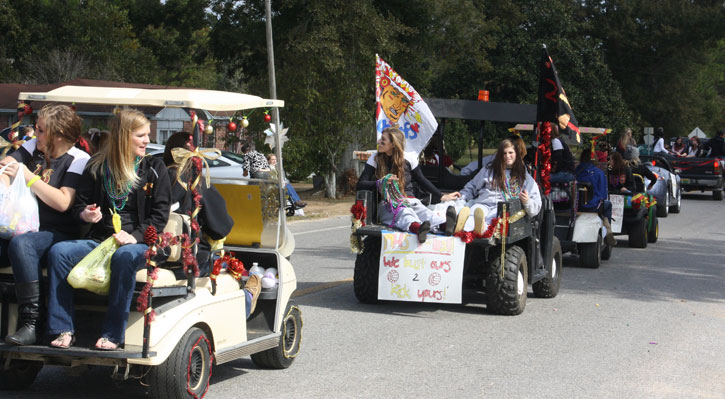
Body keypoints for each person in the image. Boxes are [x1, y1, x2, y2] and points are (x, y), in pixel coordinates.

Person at [46, 109, 171, 350]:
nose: (148, 140)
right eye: (141, 135)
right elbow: (79, 207)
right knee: (59, 253)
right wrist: (86, 214)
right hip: (101, 240)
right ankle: (62, 328)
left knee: (124, 256)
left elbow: (159, 217)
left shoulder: (154, 168)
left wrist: (134, 236)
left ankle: (113, 334)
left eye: (147, 135)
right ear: (124, 137)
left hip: (143, 243)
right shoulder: (97, 167)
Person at [0, 104, 90, 346]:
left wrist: (28, 178)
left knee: (22, 245)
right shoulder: (33, 147)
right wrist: (6, 183)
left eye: (40, 130)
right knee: (17, 242)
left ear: (58, 134)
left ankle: (30, 323)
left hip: (57, 232)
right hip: (21, 226)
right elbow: (6, 166)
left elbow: (63, 202)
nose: (34, 133)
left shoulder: (78, 159)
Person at [356, 127, 459, 242]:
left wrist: (442, 196)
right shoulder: (375, 158)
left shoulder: (409, 158)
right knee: (404, 212)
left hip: (409, 200)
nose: (378, 142)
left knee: (423, 212)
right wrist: (380, 183)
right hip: (388, 203)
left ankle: (445, 225)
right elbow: (360, 184)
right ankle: (418, 228)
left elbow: (422, 180)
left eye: (383, 140)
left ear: (393, 144)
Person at [164, 131, 235, 276]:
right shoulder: (196, 182)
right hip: (189, 259)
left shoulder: (158, 176)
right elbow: (221, 227)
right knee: (236, 269)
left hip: (156, 255)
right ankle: (248, 296)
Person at [444, 138, 542, 234]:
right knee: (475, 211)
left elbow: (536, 206)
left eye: (510, 153)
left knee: (493, 218)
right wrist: (461, 198)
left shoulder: (524, 177)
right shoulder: (489, 170)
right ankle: (460, 224)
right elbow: (472, 186)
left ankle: (480, 228)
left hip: (502, 208)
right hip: (483, 203)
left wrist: (527, 202)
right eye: (504, 153)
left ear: (516, 154)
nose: (507, 156)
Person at [575, 149, 615, 245]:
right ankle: (608, 231)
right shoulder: (600, 173)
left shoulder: (576, 171)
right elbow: (603, 196)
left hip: (576, 205)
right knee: (608, 204)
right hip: (593, 206)